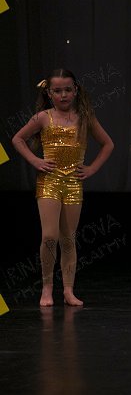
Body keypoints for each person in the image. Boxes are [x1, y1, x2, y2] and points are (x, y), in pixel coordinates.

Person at [11, 69, 114, 307]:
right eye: (57, 91)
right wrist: (35, 160)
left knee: (68, 238)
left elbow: (108, 144)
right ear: (49, 93)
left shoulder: (85, 117)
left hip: (73, 183)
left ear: (76, 90)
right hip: (49, 181)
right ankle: (47, 288)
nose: (63, 95)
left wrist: (92, 168)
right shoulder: (43, 117)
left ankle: (68, 290)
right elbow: (17, 139)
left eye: (68, 90)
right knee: (50, 236)